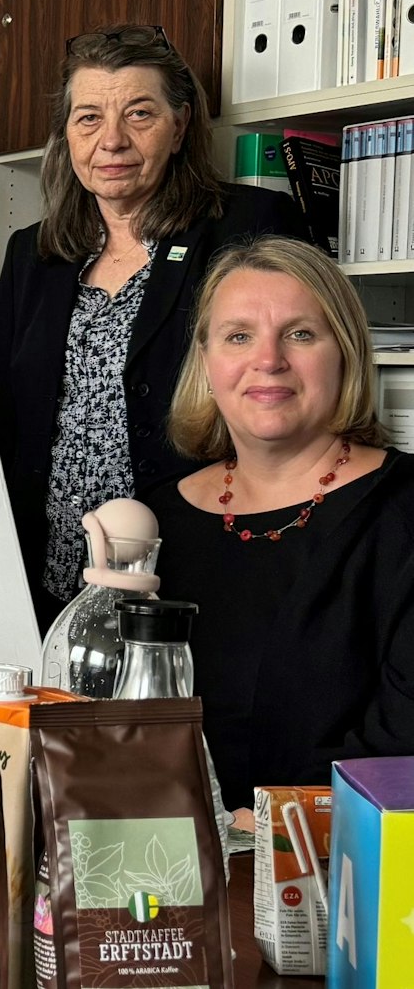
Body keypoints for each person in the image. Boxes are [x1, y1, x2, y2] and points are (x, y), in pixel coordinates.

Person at [0, 23, 307, 631]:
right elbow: (2, 411)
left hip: (200, 562)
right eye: (88, 118)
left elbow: (296, 390)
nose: (112, 140)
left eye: (139, 114)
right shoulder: (34, 252)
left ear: (180, 125)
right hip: (52, 573)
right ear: (67, 135)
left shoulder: (247, 225)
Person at [141, 237, 414, 808]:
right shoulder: (154, 521)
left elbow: (402, 746)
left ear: (345, 353)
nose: (269, 360)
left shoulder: (405, 509)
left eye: (301, 334)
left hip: (342, 853)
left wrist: (280, 826)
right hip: (162, 845)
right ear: (206, 361)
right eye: (239, 336)